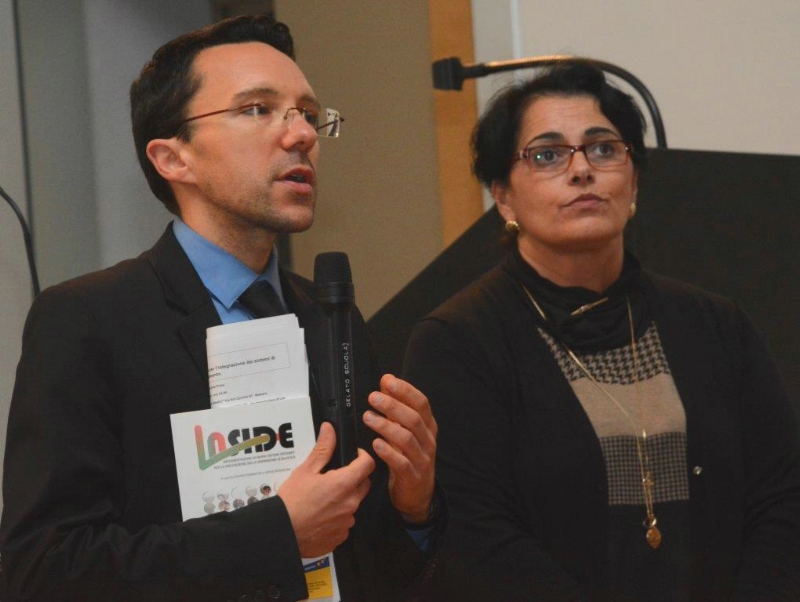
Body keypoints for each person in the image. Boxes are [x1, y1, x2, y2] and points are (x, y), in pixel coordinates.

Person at [0, 15, 442, 602]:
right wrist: (276, 535)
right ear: (173, 157)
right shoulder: (88, 321)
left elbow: (362, 561)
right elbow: (42, 570)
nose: (301, 134)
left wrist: (414, 508)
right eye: (258, 109)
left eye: (308, 114)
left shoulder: (327, 317)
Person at [403, 63, 800, 601]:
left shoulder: (715, 324)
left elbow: (782, 497)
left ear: (633, 181)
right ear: (503, 196)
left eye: (604, 149)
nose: (581, 170)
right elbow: (476, 535)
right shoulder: (458, 342)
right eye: (547, 155)